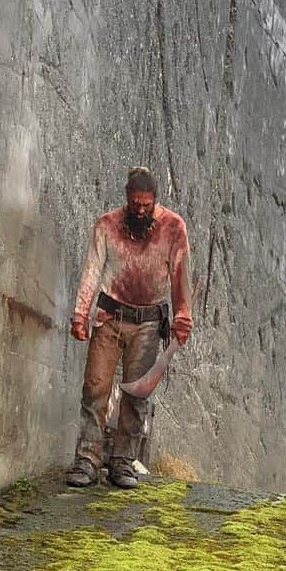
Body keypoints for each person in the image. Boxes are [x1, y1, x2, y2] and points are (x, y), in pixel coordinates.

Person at [65, 166, 192, 488]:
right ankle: (87, 460)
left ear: (155, 202)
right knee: (95, 389)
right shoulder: (107, 225)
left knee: (137, 396)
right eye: (135, 203)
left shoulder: (173, 228)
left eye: (146, 205)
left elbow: (180, 275)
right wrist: (81, 314)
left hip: (149, 323)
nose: (140, 209)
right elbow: (92, 270)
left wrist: (183, 316)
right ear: (127, 198)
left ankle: (122, 462)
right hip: (109, 318)